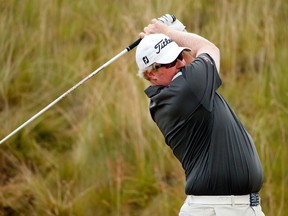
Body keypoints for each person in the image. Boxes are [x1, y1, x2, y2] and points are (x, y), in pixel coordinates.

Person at [135, 14, 265, 216]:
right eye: (170, 61)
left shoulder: (177, 90)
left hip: (227, 207)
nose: (180, 63)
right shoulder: (184, 90)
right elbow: (209, 50)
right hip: (217, 208)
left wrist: (168, 37)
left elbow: (192, 60)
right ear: (151, 74)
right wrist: (169, 32)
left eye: (179, 55)